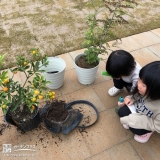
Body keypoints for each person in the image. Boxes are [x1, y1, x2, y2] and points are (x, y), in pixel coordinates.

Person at [117, 61, 160, 143]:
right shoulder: (145, 90)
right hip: (138, 109)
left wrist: (135, 120)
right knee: (121, 112)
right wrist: (131, 98)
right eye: (140, 79)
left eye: (144, 85)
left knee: (135, 129)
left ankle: (147, 133)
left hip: (149, 120)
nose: (139, 85)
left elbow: (157, 125)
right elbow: (137, 94)